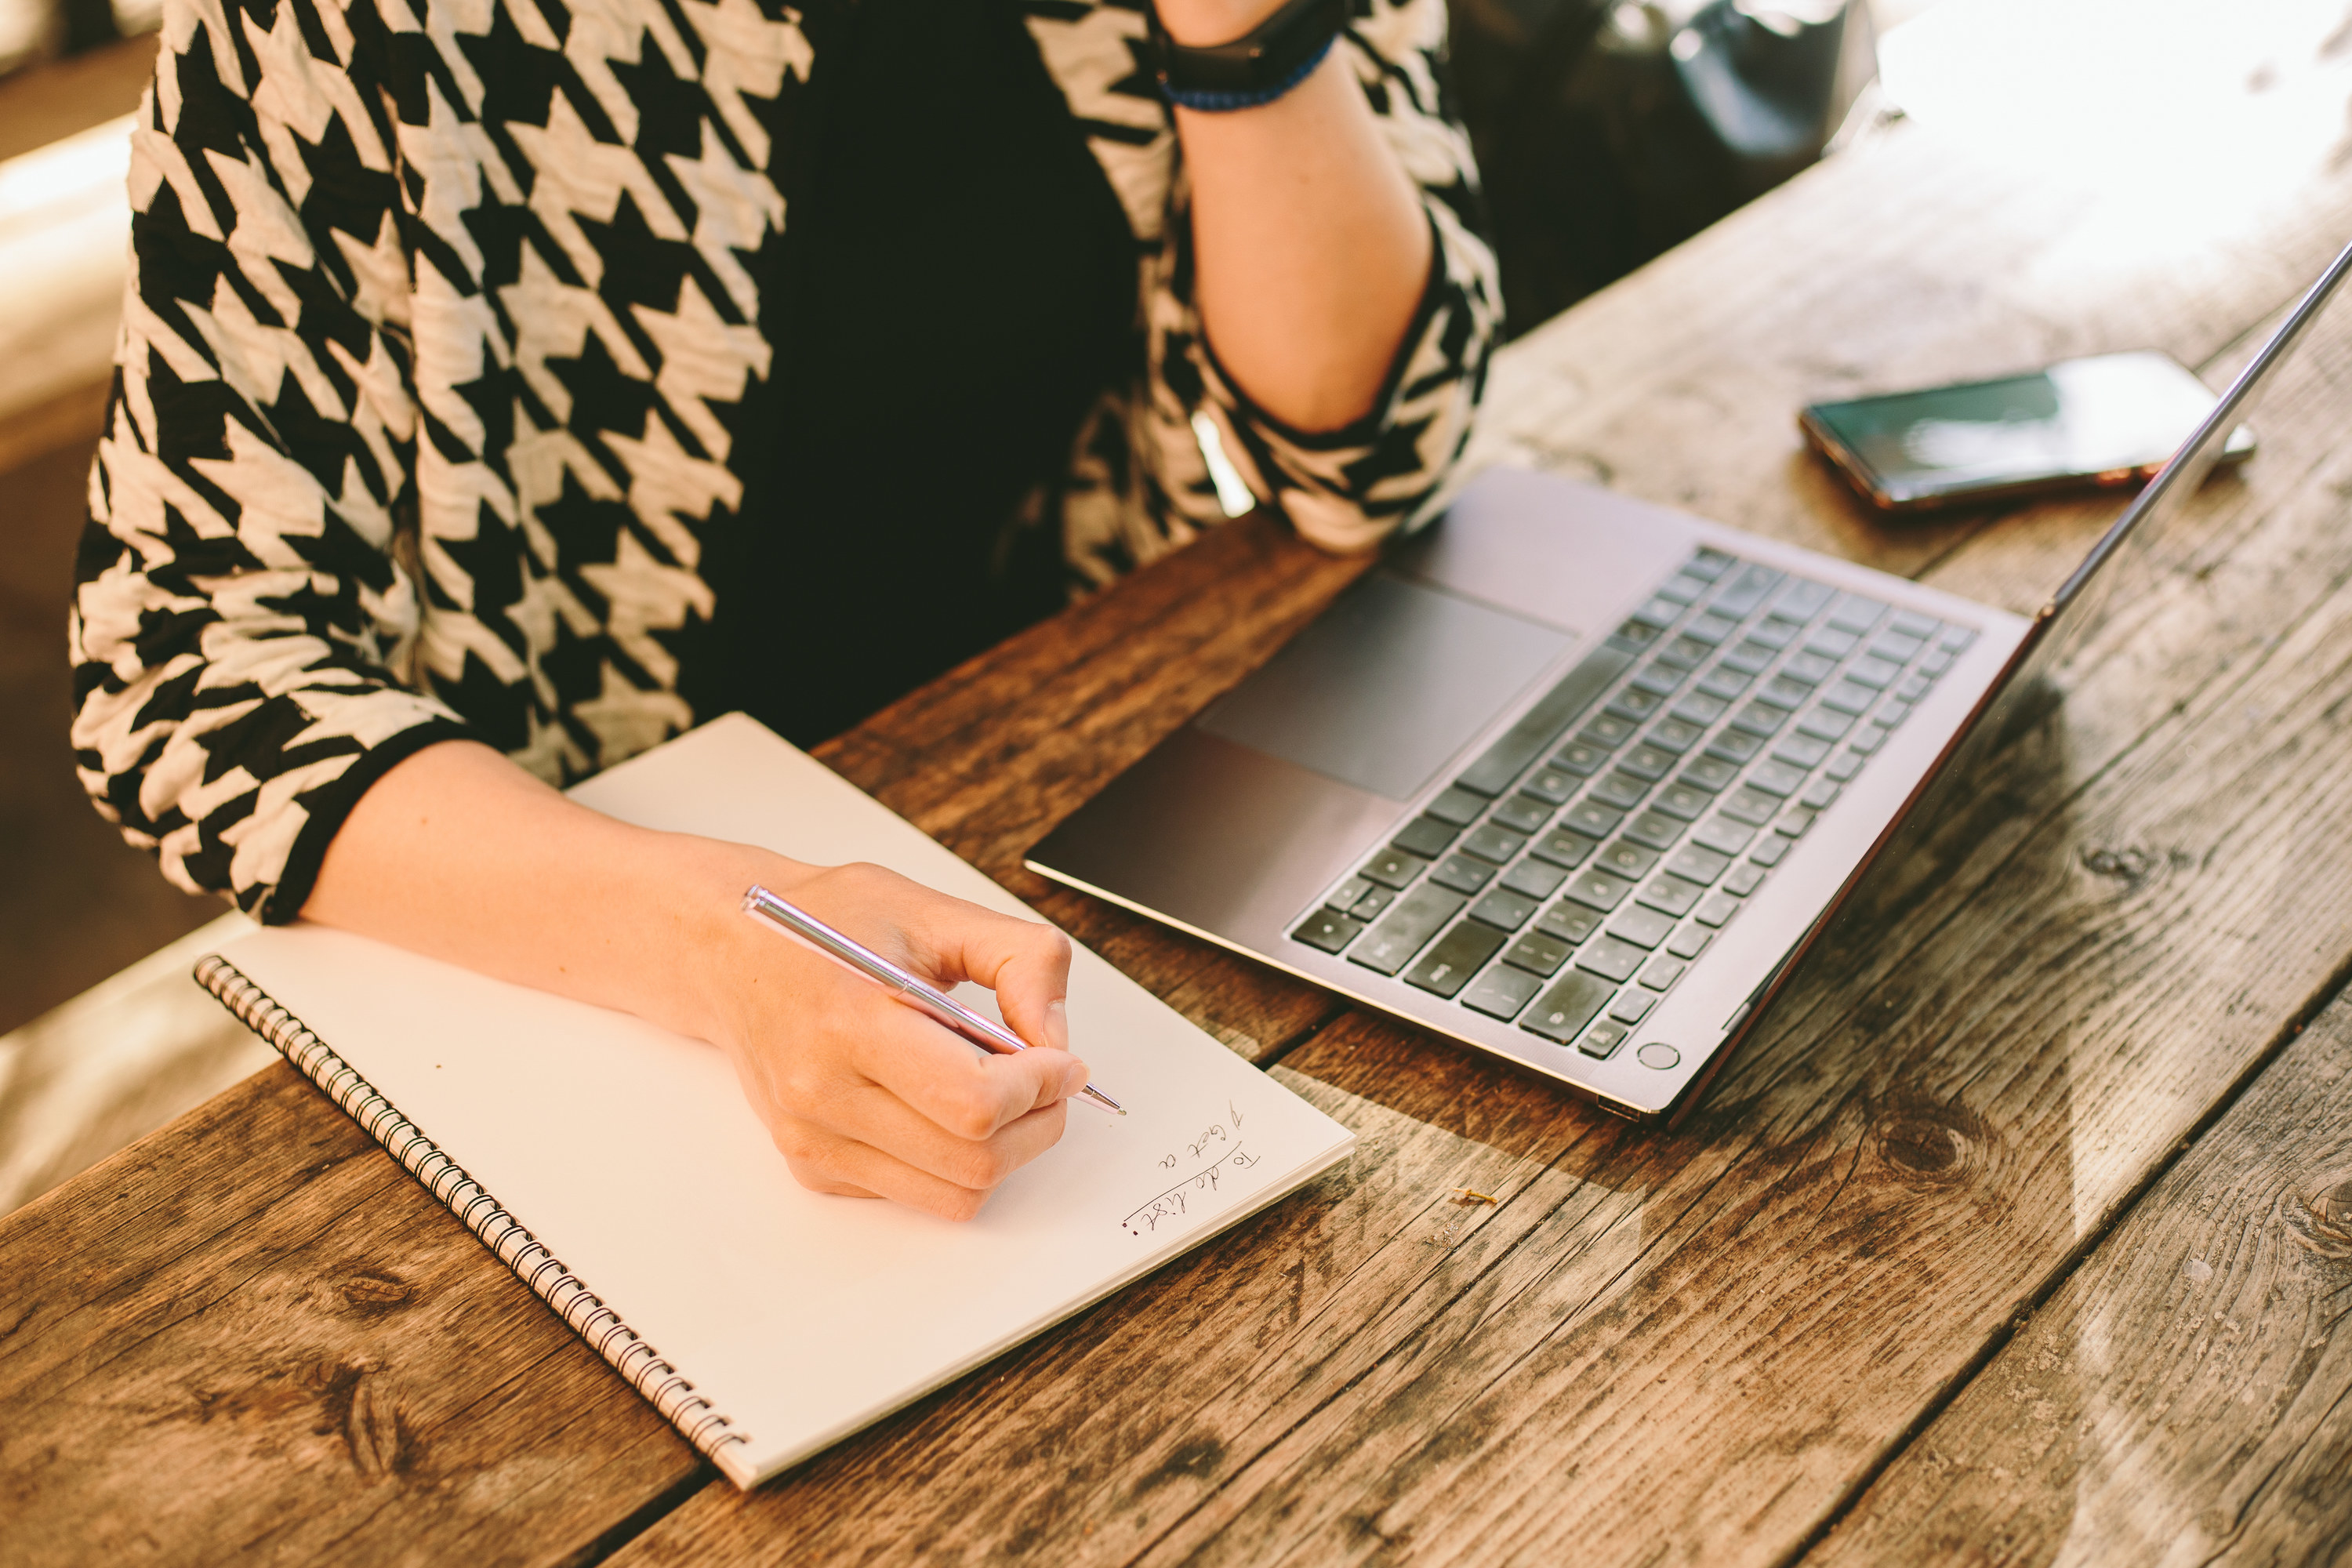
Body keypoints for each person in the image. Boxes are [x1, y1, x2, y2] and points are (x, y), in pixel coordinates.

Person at [69, 0, 1497, 1219]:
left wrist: (1237, 28)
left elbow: (1374, 454)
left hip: (1036, 825)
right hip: (554, 921)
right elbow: (180, 663)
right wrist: (719, 940)